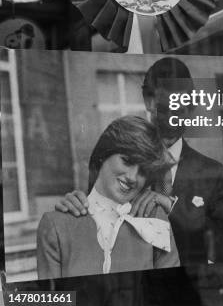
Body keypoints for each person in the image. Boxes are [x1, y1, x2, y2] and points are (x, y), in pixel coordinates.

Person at [56, 58, 223, 266]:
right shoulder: (118, 166)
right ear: (149, 102)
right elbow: (95, 223)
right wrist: (75, 207)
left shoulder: (214, 173)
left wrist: (173, 208)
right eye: (167, 106)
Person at [38, 115, 179, 279]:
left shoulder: (155, 219)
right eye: (127, 161)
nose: (132, 177)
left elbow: (171, 294)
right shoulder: (56, 225)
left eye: (143, 171)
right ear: (103, 155)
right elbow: (50, 300)